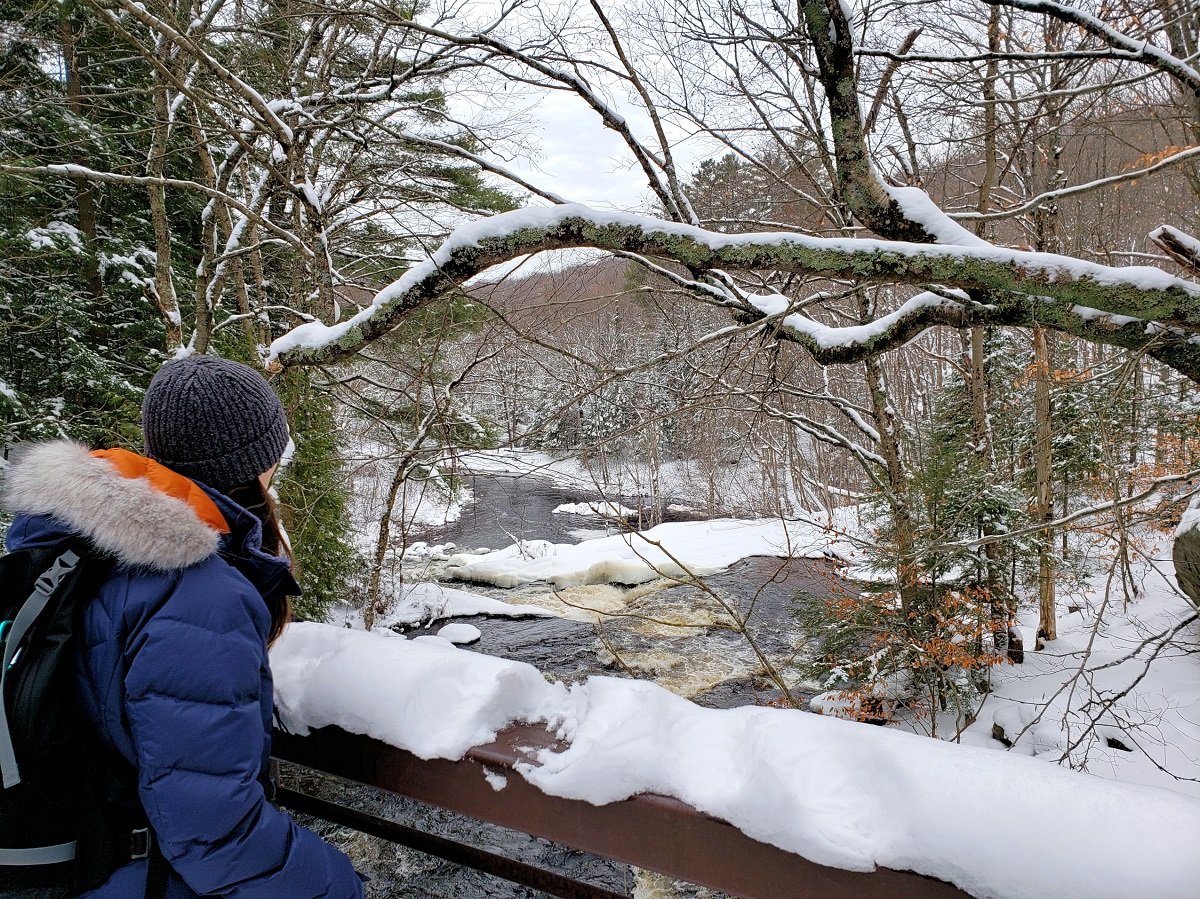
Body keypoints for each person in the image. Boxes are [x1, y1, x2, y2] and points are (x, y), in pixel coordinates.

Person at [2, 355, 364, 898]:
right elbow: (216, 835)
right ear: (255, 461)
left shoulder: (68, 542)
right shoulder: (199, 595)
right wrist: (343, 887)